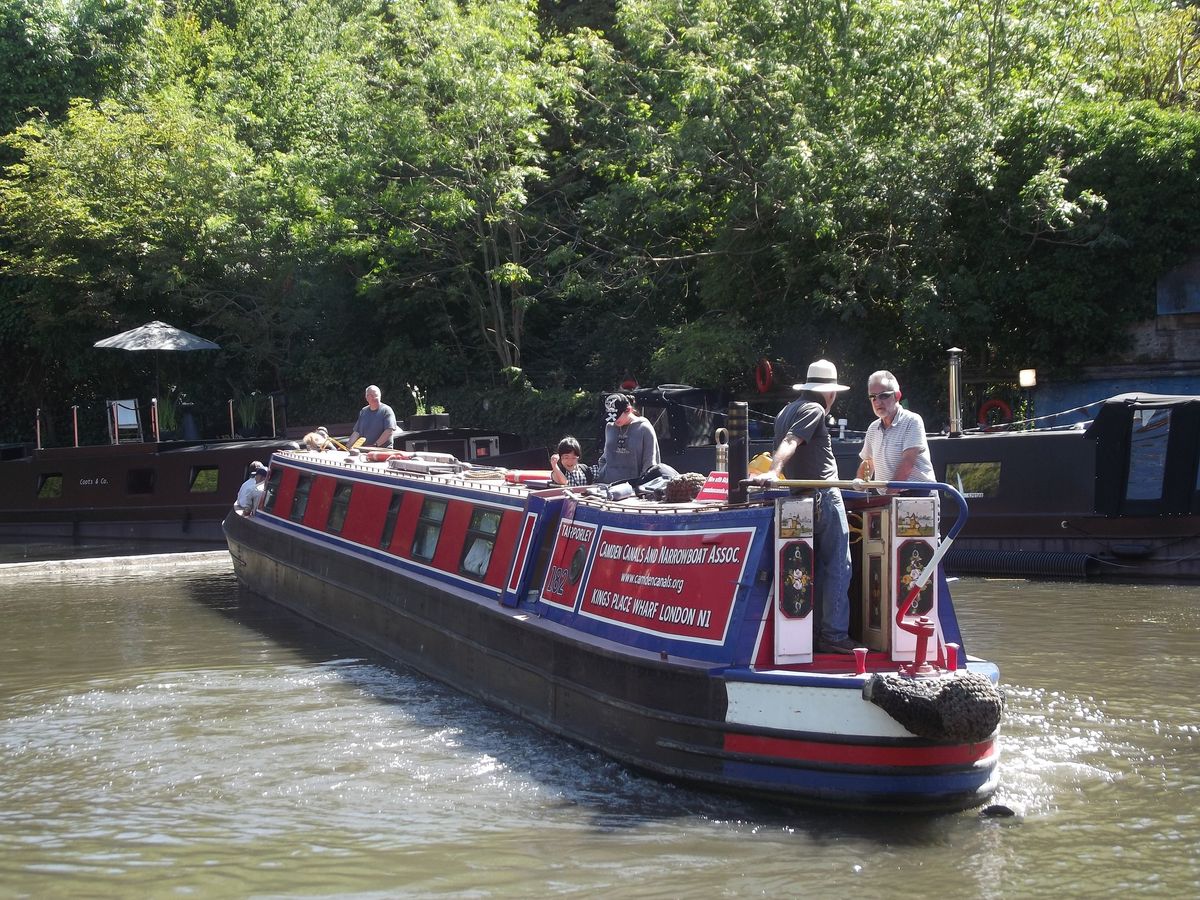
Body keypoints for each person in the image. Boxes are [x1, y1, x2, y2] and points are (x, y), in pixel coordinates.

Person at [755, 359, 861, 655]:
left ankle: (808, 632)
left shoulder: (784, 411)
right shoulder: (814, 409)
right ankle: (835, 635)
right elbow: (792, 441)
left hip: (798, 499)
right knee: (840, 565)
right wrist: (774, 471)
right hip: (824, 494)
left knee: (805, 568)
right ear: (830, 393)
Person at [856, 370, 935, 491]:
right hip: (890, 498)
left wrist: (888, 497)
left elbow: (907, 463)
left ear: (897, 396)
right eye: (873, 397)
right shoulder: (872, 428)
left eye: (883, 395)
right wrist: (857, 489)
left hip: (919, 496)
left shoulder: (912, 421)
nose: (877, 402)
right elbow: (868, 462)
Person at [593, 393, 660, 485]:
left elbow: (650, 462)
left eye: (617, 416)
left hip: (633, 486)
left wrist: (641, 484)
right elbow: (606, 455)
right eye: (611, 416)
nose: (614, 420)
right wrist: (602, 472)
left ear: (629, 410)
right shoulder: (610, 427)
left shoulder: (644, 428)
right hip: (607, 484)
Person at [347, 385, 398, 449]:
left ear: (380, 396)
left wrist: (375, 445)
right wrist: (347, 447)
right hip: (365, 450)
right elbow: (357, 432)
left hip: (383, 450)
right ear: (366, 398)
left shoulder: (387, 410)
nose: (373, 397)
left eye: (375, 395)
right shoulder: (363, 411)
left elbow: (389, 431)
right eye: (370, 395)